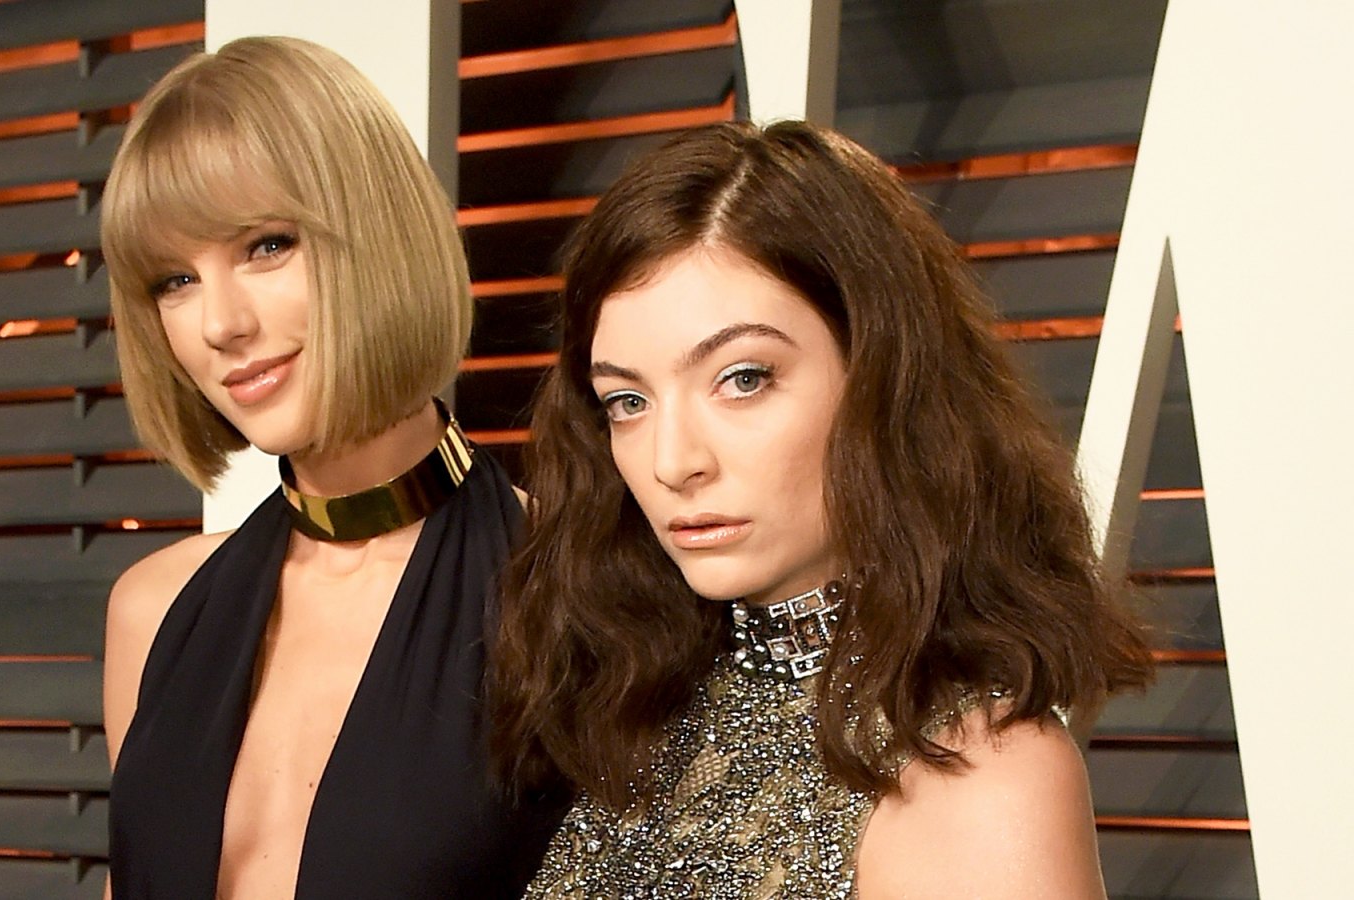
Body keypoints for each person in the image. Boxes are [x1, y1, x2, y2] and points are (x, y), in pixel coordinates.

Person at [490, 121, 1153, 898]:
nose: (673, 462)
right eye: (628, 401)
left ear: (882, 378)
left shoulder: (982, 776)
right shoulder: (633, 709)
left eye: (742, 379)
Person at [98, 36, 564, 900]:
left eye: (267, 246)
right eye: (174, 280)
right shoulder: (153, 613)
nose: (219, 324)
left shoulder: (569, 589)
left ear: (377, 235)